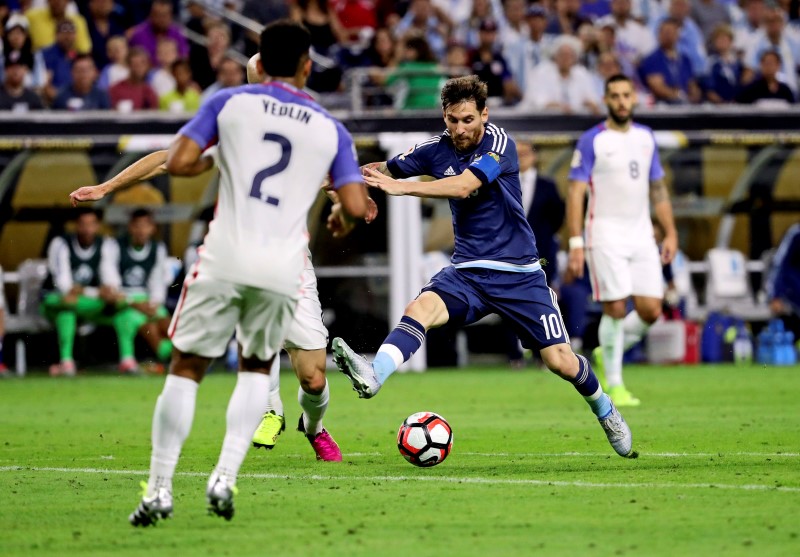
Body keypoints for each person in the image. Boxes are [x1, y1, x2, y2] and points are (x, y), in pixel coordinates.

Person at [77, 20, 369, 526]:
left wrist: (113, 187)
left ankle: (161, 490)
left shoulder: (229, 107)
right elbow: (356, 207)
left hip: (226, 254)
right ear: (305, 66)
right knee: (257, 368)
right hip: (281, 265)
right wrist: (342, 214)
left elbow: (181, 160)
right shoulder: (328, 129)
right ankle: (224, 477)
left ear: (258, 61)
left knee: (189, 369)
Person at [333, 75, 637, 460]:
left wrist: (403, 189)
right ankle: (375, 374)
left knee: (559, 360)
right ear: (443, 116)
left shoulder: (500, 143)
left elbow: (462, 186)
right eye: (452, 120)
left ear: (484, 114)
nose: (460, 129)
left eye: (467, 120)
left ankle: (605, 410)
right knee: (419, 309)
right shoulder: (435, 149)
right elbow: (385, 169)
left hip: (520, 275)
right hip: (468, 273)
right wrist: (345, 183)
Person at [566, 74, 678, 407]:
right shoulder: (592, 141)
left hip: (642, 233)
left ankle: (606, 351)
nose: (621, 101)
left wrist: (670, 231)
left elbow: (657, 188)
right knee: (614, 306)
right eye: (614, 96)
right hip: (605, 233)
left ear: (634, 98)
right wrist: (575, 243)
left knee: (651, 309)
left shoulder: (646, 138)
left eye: (626, 95)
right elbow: (575, 193)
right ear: (606, 100)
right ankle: (614, 384)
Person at [40, 208, 131, 375]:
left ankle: (127, 360)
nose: (87, 229)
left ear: (98, 226)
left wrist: (109, 291)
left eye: (91, 224)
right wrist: (97, 293)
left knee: (121, 305)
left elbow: (110, 279)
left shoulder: (105, 244)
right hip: (54, 300)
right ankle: (66, 362)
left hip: (84, 302)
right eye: (83, 224)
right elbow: (65, 287)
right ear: (76, 225)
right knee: (67, 309)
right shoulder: (61, 243)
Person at [105, 208, 173, 370]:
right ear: (130, 227)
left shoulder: (158, 249)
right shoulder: (115, 246)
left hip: (146, 300)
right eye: (137, 226)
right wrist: (133, 302)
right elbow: (111, 283)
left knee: (166, 324)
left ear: (152, 228)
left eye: (145, 226)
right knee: (134, 320)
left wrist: (154, 303)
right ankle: (128, 361)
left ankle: (174, 356)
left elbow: (157, 281)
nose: (141, 230)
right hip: (123, 302)